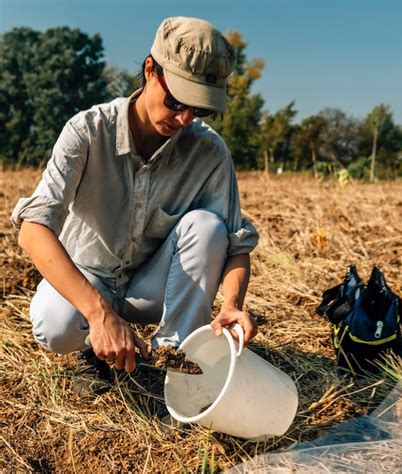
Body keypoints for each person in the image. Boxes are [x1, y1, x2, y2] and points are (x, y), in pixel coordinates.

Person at [11, 16, 259, 387]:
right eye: (176, 100)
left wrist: (231, 304)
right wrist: (99, 314)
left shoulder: (209, 152)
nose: (184, 117)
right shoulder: (88, 131)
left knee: (208, 227)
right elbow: (33, 230)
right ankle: (94, 345)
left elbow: (236, 245)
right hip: (89, 276)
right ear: (149, 71)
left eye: (200, 109)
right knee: (55, 325)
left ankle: (172, 359)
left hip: (152, 285)